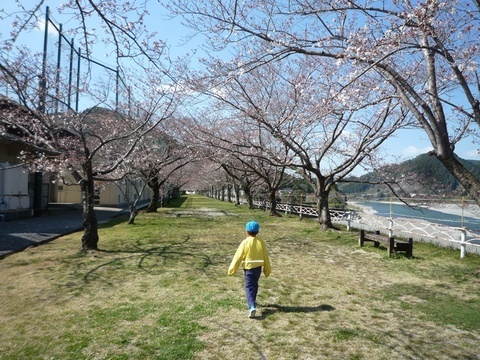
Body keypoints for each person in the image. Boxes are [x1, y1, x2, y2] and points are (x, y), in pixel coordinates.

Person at [228, 220, 271, 318]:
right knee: (254, 285)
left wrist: (232, 270)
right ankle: (253, 302)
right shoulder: (261, 242)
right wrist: (267, 270)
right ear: (258, 231)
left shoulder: (245, 243)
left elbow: (237, 257)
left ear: (246, 231)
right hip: (258, 269)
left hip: (249, 270)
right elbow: (266, 257)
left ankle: (251, 306)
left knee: (249, 287)